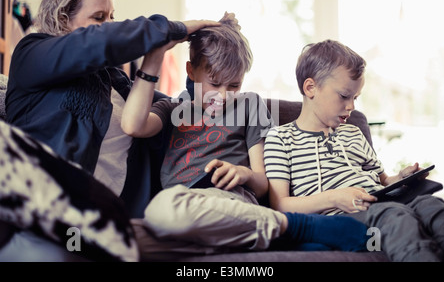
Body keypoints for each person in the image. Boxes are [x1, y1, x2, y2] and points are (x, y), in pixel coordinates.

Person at [121, 13, 371, 257]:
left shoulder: (249, 105)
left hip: (230, 199)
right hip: (189, 211)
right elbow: (133, 126)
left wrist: (244, 173)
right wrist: (154, 57)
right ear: (191, 71)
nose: (223, 95)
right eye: (214, 83)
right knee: (116, 240)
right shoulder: (173, 108)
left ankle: (299, 226)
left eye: (234, 85)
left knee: (162, 208)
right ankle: (277, 239)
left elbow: (263, 185)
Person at [5, 0, 219, 218]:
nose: (109, 24)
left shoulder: (116, 81)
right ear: (63, 20)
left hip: (115, 220)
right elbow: (97, 41)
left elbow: (179, 109)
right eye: (99, 17)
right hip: (48, 209)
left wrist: (209, 63)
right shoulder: (31, 54)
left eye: (112, 17)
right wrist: (171, 28)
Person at [264, 39, 444, 261]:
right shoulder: (281, 138)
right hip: (345, 218)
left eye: (355, 98)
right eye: (344, 96)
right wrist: (334, 198)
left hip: (385, 203)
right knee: (395, 216)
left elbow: (382, 181)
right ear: (310, 88)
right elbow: (279, 205)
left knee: (432, 205)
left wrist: (400, 178)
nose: (351, 106)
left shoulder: (352, 132)